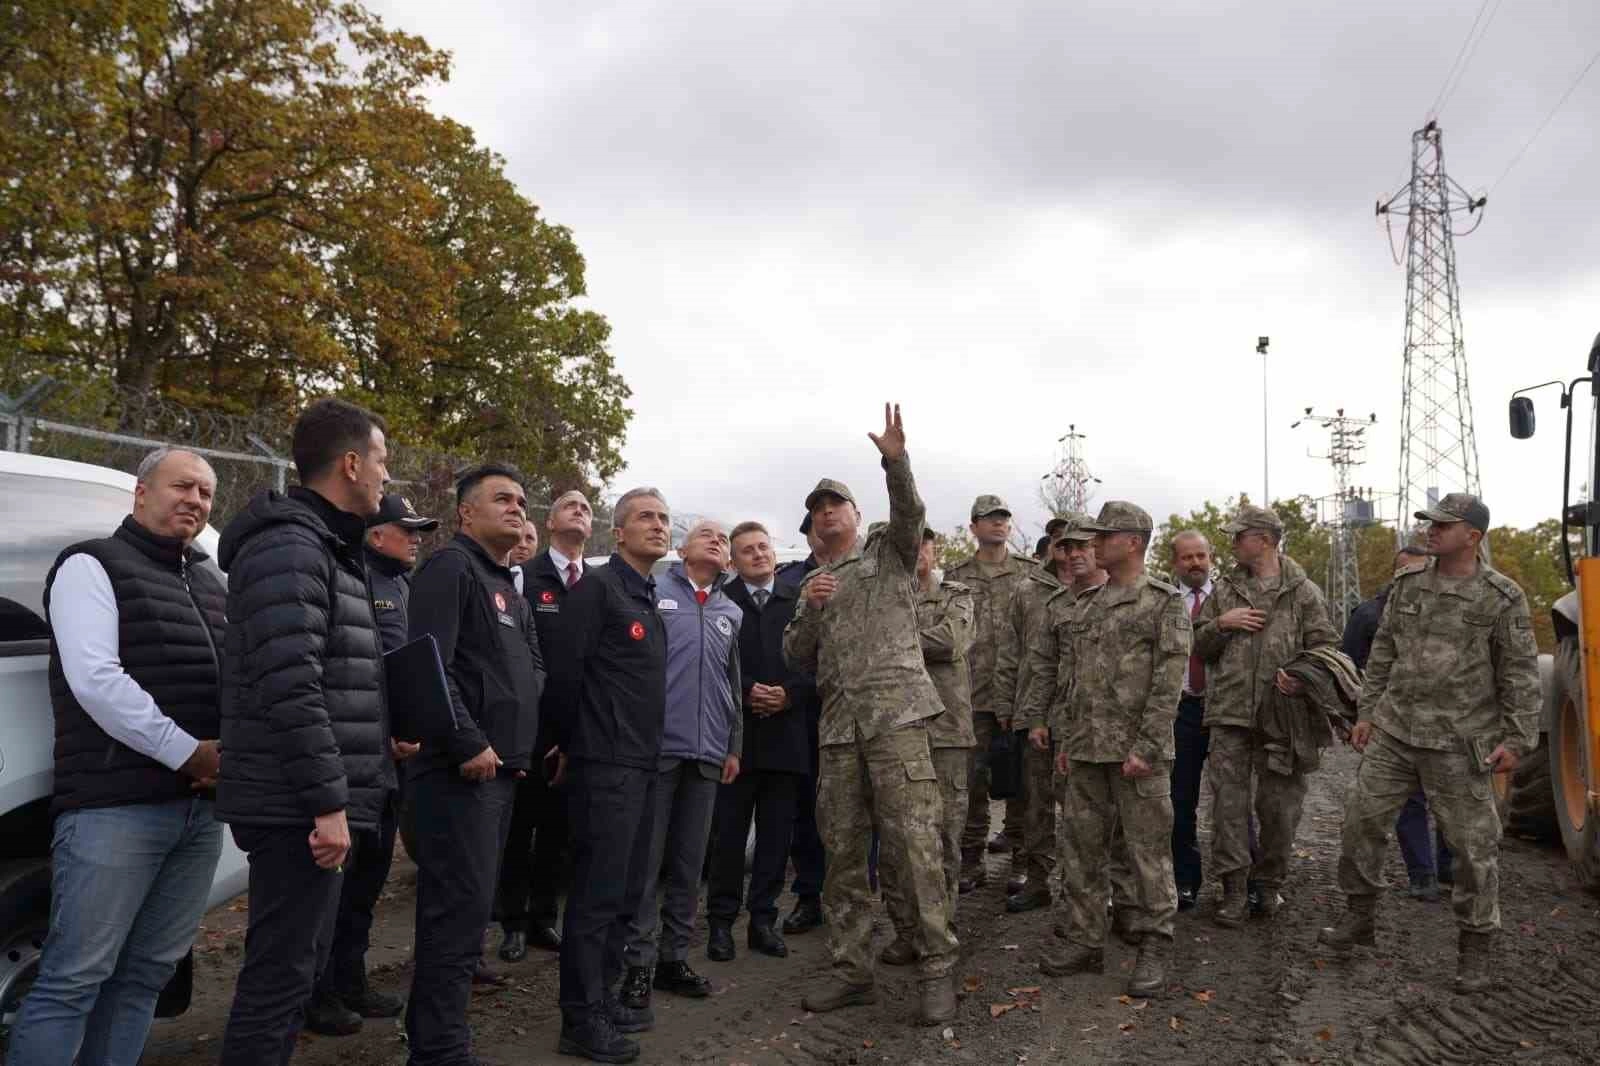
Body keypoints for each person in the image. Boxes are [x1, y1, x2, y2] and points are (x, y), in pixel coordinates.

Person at [9, 449, 226, 1066]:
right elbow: (97, 681)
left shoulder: (209, 582)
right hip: (116, 807)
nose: (195, 500)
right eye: (182, 486)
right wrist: (189, 754)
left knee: (146, 973)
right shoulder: (91, 564)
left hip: (200, 812)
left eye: (206, 493)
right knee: (75, 977)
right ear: (141, 492)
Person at [215, 398, 391, 1065]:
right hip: (295, 806)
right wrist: (327, 803)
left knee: (296, 970)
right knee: (280, 975)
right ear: (350, 464)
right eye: (380, 460)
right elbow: (291, 685)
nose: (386, 476)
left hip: (306, 801)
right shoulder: (290, 547)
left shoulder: (326, 547)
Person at [783, 403, 960, 1026]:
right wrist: (810, 607)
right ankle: (852, 969)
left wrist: (896, 462)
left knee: (915, 850)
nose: (826, 511)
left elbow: (910, 514)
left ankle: (937, 969)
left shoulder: (887, 555)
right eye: (817, 508)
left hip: (896, 725)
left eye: (836, 503)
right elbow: (796, 656)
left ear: (857, 516)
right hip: (839, 734)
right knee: (843, 856)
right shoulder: (813, 584)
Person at [1319, 494, 1540, 994]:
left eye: (1443, 525)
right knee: (1360, 824)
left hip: (1459, 742)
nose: (1431, 530)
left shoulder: (1502, 596)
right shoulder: (1408, 583)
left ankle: (1475, 946)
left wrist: (1517, 739)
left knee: (1472, 849)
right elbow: (1383, 652)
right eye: (1430, 523)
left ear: (1473, 536)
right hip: (1396, 733)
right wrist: (1367, 711)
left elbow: (1521, 673)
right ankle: (1359, 916)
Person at [403, 465, 546, 1064]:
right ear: (465, 512)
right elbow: (428, 662)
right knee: (455, 917)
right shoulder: (450, 568)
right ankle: (439, 1050)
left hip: (501, 769)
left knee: (469, 915)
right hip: (461, 773)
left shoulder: (506, 583)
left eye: (521, 500)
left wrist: (515, 736)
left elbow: (532, 667)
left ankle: (439, 1041)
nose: (517, 508)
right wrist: (467, 741)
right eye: (501, 499)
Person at [1023, 501, 1188, 998]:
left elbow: (1168, 685)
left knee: (1147, 854)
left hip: (1138, 755)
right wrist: (1067, 741)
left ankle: (1155, 944)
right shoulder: (1087, 603)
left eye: (1104, 536)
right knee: (1080, 852)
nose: (1093, 544)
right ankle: (1085, 939)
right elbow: (1074, 679)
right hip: (1086, 752)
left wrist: (1147, 747)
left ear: (1133, 542)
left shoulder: (1162, 602)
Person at [305, 494, 433, 1035]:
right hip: (355, 756)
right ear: (377, 535)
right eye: (408, 530)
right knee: (337, 886)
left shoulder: (404, 586)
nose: (416, 539)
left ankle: (349, 979)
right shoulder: (353, 578)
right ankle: (316, 992)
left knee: (367, 882)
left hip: (391, 760)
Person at [557, 488, 672, 1063]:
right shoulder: (598, 589)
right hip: (605, 766)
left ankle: (602, 998)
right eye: (645, 517)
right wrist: (569, 746)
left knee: (626, 893)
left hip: (644, 765)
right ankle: (580, 1020)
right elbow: (566, 676)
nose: (659, 525)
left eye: (664, 518)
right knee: (596, 897)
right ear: (618, 533)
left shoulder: (647, 596)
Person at [1193, 504, 1340, 927]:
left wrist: (1303, 679)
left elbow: (1326, 650)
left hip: (1284, 718)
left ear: (1265, 540)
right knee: (1228, 808)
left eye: (1239, 536)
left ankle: (1268, 884)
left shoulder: (1304, 592)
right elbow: (1199, 647)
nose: (1232, 544)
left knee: (1280, 808)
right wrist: (1221, 624)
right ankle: (1233, 891)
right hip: (1231, 715)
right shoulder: (1225, 590)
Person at [619, 519, 742, 1007]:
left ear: (728, 560)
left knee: (689, 867)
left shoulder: (731, 610)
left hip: (709, 753)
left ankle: (673, 960)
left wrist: (734, 745)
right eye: (705, 534)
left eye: (723, 539)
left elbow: (733, 683)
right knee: (646, 864)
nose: (716, 540)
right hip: (658, 751)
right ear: (682, 550)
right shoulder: (655, 594)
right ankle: (638, 964)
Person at [707, 521, 808, 961]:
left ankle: (763, 921)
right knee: (728, 837)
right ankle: (720, 924)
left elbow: (820, 660)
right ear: (733, 561)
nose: (758, 554)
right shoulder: (720, 602)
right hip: (736, 740)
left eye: (763, 546)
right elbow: (711, 663)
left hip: (787, 738)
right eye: (747, 550)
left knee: (775, 839)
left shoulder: (798, 600)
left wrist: (789, 694)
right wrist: (748, 691)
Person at [500, 491, 593, 960]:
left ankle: (543, 919)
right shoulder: (524, 577)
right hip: (529, 729)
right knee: (520, 829)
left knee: (559, 832)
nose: (580, 510)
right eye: (570, 505)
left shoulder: (598, 585)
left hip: (577, 732)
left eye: (587, 508)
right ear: (550, 522)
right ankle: (512, 923)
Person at [879, 527, 976, 964]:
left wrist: (893, 639)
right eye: (910, 543)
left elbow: (951, 642)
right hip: (897, 730)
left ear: (935, 550)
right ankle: (906, 930)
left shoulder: (956, 595)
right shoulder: (882, 598)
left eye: (925, 543)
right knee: (898, 840)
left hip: (946, 733)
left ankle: (941, 927)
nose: (917, 550)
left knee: (943, 836)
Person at [1342, 545, 1449, 901]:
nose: (1416, 578)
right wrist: (1359, 716)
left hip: (1445, 724)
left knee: (1448, 798)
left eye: (1423, 570)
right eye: (1408, 571)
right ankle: (1422, 874)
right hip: (1391, 725)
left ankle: (1449, 870)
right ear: (1395, 573)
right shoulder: (1369, 615)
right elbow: (1348, 665)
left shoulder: (1446, 608)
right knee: (1409, 800)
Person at [989, 513, 1082, 910]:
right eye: (1061, 540)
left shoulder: (1101, 586)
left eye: (1077, 542)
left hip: (1084, 716)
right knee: (1034, 803)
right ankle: (1037, 878)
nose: (1068, 549)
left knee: (1084, 807)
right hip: (1035, 711)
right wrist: (1005, 703)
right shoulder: (1028, 590)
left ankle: (1086, 888)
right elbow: (1009, 651)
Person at [947, 495, 1034, 894]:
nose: (998, 524)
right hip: (972, 695)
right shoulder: (956, 577)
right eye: (989, 518)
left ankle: (1022, 859)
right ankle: (971, 860)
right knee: (971, 783)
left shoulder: (1031, 573)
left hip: (1020, 694)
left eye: (1003, 518)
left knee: (1024, 784)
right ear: (974, 527)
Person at [779, 512, 828, 937]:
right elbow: (785, 647)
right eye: (815, 526)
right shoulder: (791, 580)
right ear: (808, 535)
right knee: (807, 810)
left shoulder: (866, 573)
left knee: (861, 809)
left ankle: (860, 895)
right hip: (805, 711)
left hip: (856, 709)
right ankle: (809, 894)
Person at [1168, 530, 1213, 911]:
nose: (1195, 563)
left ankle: (1244, 884)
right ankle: (1185, 880)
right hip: (1181, 710)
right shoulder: (1165, 602)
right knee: (1180, 800)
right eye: (1187, 557)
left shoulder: (1231, 598)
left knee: (1235, 802)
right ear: (1175, 563)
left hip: (1224, 710)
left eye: (1201, 555)